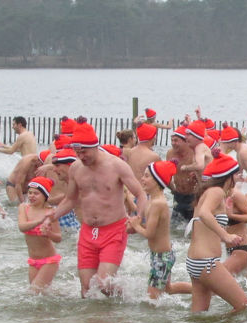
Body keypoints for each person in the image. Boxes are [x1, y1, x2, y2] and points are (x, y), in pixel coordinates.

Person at [45, 121, 147, 297]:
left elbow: (140, 193)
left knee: (103, 284)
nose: (81, 156)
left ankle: (127, 299)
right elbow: (70, 199)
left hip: (114, 229)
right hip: (88, 232)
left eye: (84, 152)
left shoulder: (117, 165)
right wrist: (51, 217)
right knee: (86, 289)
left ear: (95, 147)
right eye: (78, 152)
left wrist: (137, 218)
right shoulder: (76, 168)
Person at [184, 152, 247, 314]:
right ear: (229, 176)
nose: (240, 177)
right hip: (207, 262)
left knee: (199, 316)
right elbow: (204, 214)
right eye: (238, 174)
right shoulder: (217, 192)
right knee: (244, 306)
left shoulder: (208, 192)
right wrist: (226, 236)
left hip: (195, 262)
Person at [127, 160, 193, 300]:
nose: (142, 179)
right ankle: (203, 290)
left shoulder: (158, 203)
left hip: (162, 257)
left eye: (146, 176)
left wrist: (136, 226)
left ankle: (203, 291)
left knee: (151, 299)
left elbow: (149, 234)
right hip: (160, 255)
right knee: (168, 289)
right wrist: (134, 225)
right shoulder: (151, 200)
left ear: (157, 181)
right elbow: (150, 228)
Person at [18, 176, 62, 293]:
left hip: (49, 261)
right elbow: (21, 227)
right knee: (39, 296)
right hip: (33, 261)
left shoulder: (50, 213)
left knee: (33, 293)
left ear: (45, 196)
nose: (31, 196)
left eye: (36, 193)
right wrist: (39, 221)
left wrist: (49, 234)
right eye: (30, 193)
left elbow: (58, 238)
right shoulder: (24, 208)